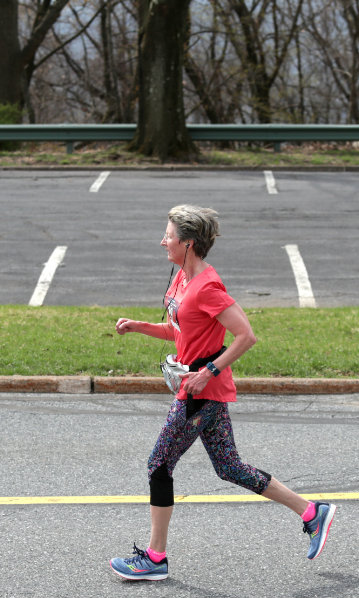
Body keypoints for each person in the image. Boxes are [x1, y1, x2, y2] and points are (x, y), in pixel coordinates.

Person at [109, 204, 336, 582]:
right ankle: (312, 512)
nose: (162, 241)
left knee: (158, 465)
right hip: (197, 388)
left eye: (168, 236)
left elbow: (246, 336)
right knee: (229, 467)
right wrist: (138, 327)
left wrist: (209, 371)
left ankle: (155, 558)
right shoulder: (181, 278)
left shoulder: (208, 286)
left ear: (189, 243)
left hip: (202, 393)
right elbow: (178, 329)